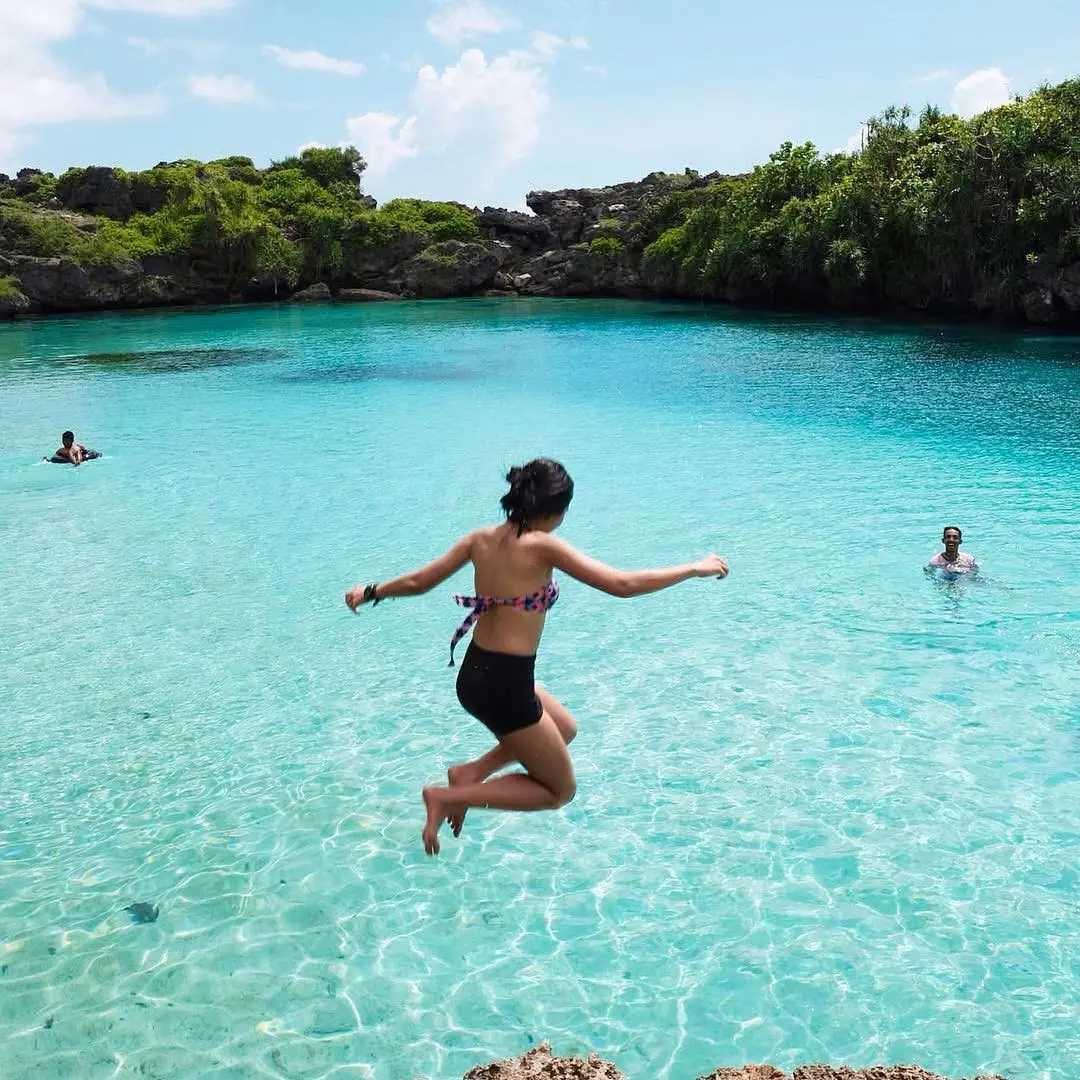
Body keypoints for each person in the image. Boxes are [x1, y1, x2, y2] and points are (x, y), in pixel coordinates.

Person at [345, 458, 730, 856]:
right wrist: (693, 568)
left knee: (564, 727)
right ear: (555, 511)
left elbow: (418, 582)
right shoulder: (543, 546)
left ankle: (471, 773)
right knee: (560, 790)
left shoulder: (479, 539)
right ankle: (449, 797)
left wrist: (370, 591)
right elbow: (621, 584)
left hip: (475, 674)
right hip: (505, 687)